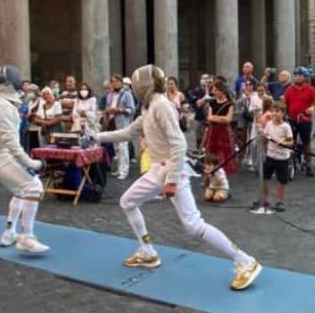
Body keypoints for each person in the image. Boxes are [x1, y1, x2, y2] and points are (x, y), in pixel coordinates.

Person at [92, 65, 261, 290]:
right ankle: (148, 252)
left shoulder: (162, 105)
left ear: (147, 86)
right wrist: (96, 137)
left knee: (193, 225)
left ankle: (245, 261)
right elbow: (129, 132)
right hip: (157, 169)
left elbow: (179, 143)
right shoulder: (149, 106)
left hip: (173, 169)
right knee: (128, 202)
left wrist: (171, 180)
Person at [0, 65, 49, 254]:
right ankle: (26, 237)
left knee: (22, 189)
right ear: (8, 84)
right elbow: (11, 142)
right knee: (33, 187)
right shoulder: (2, 106)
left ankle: (10, 232)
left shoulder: (3, 102)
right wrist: (32, 163)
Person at [252, 100, 294, 214]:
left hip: (282, 159)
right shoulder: (269, 124)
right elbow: (265, 136)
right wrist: (261, 132)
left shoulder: (286, 127)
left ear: (283, 113)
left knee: (281, 182)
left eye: (278, 112)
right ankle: (265, 199)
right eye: (273, 111)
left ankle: (280, 201)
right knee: (265, 179)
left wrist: (283, 142)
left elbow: (291, 142)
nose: (275, 114)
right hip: (270, 157)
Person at [284, 67, 315, 177]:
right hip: (292, 119)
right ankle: (291, 162)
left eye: (300, 75)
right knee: (291, 141)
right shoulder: (290, 89)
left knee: (306, 143)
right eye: (296, 75)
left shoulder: (310, 89)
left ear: (305, 77)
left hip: (305, 119)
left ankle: (308, 165)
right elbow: (285, 103)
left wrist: (313, 108)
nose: (298, 77)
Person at [102, 75, 135, 179]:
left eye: (117, 81)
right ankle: (119, 169)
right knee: (116, 148)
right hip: (112, 123)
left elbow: (131, 109)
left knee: (123, 147)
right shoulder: (109, 95)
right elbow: (107, 106)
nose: (115, 83)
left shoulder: (127, 94)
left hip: (122, 123)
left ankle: (124, 171)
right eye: (113, 82)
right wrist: (107, 110)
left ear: (121, 82)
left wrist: (119, 110)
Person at [203, 80, 237, 176]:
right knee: (211, 150)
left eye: (216, 90)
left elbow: (228, 119)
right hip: (213, 130)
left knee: (224, 151)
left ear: (222, 91)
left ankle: (222, 171)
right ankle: (211, 169)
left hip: (224, 131)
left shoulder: (229, 104)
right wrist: (220, 118)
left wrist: (215, 118)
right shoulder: (212, 102)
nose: (214, 92)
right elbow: (209, 117)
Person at [188, 74, 213, 150]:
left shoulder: (215, 91)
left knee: (209, 141)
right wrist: (205, 98)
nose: (206, 82)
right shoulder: (197, 91)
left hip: (211, 120)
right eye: (204, 80)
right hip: (199, 118)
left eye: (209, 81)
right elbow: (197, 104)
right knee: (199, 140)